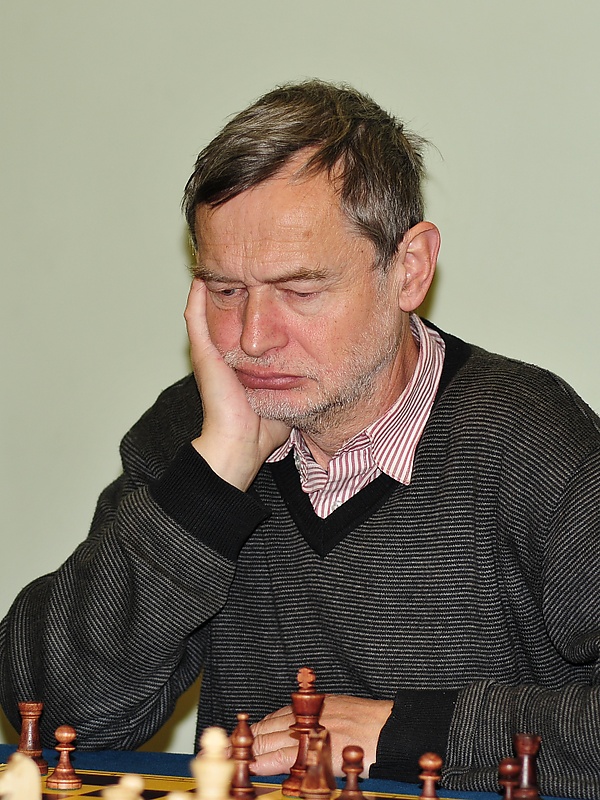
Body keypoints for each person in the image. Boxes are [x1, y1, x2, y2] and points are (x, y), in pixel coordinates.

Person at [1, 80, 599, 798]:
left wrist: (403, 734)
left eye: (300, 291)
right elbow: (57, 718)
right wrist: (215, 477)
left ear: (409, 269)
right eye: (225, 290)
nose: (253, 338)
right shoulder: (197, 430)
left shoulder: (531, 439)